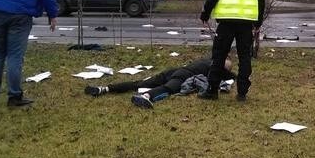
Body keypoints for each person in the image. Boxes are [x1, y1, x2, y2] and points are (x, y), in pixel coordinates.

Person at [199, 0, 265, 101]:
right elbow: (261, 0)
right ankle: (242, 93)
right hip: (246, 23)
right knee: (244, 57)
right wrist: (258, 23)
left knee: (219, 56)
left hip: (226, 21)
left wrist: (205, 14)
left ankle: (212, 90)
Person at [84, 57, 234, 109]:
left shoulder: (206, 60)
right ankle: (147, 96)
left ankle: (104, 89)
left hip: (172, 70)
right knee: (168, 89)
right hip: (182, 75)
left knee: (139, 82)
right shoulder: (216, 67)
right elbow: (231, 75)